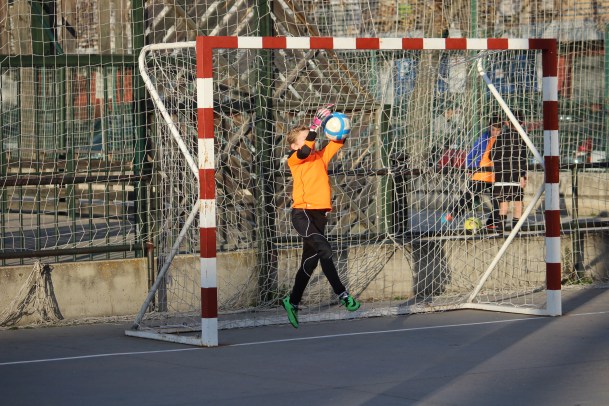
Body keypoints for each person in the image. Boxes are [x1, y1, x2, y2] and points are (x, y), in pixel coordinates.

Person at [282, 105, 361, 329]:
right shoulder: (295, 159)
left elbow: (339, 140)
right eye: (306, 138)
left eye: (312, 137)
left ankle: (292, 301)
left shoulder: (320, 157)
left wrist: (337, 123)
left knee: (309, 262)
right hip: (302, 215)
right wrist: (314, 126)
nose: (312, 140)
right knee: (325, 250)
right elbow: (304, 152)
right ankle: (343, 294)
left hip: (319, 217)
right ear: (294, 145)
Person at [442, 114, 502, 229]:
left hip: (496, 176)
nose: (495, 132)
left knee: (498, 200)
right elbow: (470, 155)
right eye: (493, 129)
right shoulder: (483, 139)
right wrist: (469, 168)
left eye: (498, 130)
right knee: (469, 197)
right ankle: (451, 215)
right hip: (480, 175)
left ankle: (491, 223)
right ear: (489, 127)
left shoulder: (503, 140)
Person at [491, 111, 528, 230]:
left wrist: (498, 168)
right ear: (522, 123)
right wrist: (522, 175)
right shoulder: (522, 138)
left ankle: (500, 230)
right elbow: (522, 158)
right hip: (515, 175)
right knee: (518, 203)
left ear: (507, 123)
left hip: (501, 175)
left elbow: (492, 155)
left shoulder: (500, 137)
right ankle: (516, 230)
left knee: (503, 203)